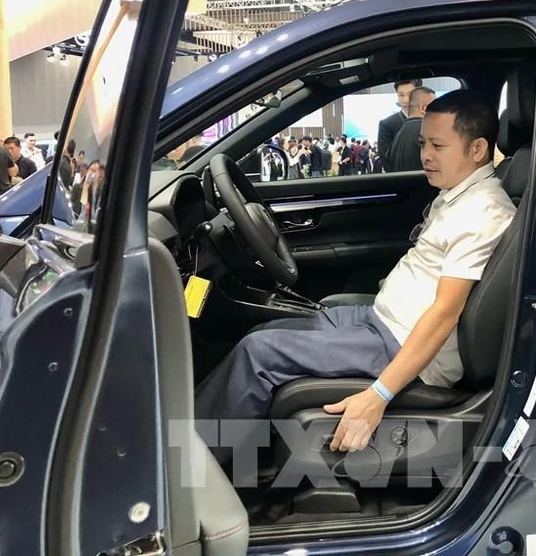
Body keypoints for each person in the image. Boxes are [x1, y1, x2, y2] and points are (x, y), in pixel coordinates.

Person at [195, 89, 516, 460]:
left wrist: (378, 394)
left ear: (477, 150)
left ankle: (186, 467)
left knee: (258, 353)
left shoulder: (483, 213)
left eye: (438, 146)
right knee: (263, 332)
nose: (425, 155)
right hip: (383, 321)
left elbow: (445, 313)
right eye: (423, 142)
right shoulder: (458, 195)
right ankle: (221, 441)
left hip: (400, 343)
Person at [376, 79, 422, 170]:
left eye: (410, 94)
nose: (405, 100)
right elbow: (386, 161)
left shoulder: (430, 121)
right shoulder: (387, 124)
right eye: (401, 95)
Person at [389, 86, 436, 172]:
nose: (438, 111)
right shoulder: (425, 132)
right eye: (435, 106)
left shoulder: (399, 135)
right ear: (423, 108)